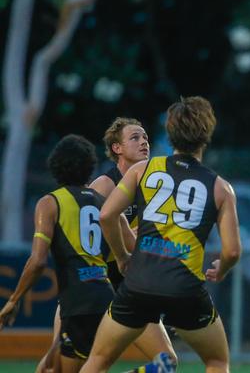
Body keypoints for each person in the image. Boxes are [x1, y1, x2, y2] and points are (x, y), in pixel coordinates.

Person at [79, 96, 241, 373]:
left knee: (98, 361)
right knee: (216, 362)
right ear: (206, 135)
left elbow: (106, 215)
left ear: (170, 133)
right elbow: (232, 252)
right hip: (185, 288)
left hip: (138, 284)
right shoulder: (221, 188)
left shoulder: (143, 170)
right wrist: (222, 269)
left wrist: (122, 257)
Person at [35, 118, 177, 373]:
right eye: (135, 137)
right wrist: (127, 241)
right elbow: (86, 240)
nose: (144, 141)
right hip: (94, 285)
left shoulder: (153, 188)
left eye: (145, 136)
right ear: (116, 148)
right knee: (55, 368)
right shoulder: (104, 184)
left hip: (127, 288)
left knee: (167, 362)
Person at [0, 135, 114, 373]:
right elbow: (121, 248)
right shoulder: (102, 202)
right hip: (104, 296)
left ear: (56, 166)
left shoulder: (50, 203)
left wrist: (14, 299)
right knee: (46, 369)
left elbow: (38, 261)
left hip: (78, 301)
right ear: (89, 167)